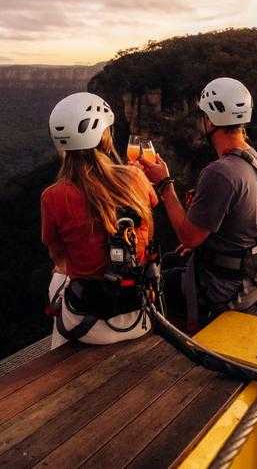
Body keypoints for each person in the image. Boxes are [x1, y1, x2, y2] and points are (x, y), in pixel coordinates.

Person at [140, 77, 257, 329]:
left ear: (212, 120)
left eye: (203, 115)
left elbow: (189, 238)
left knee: (150, 287)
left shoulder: (220, 173)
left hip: (224, 292)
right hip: (251, 280)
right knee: (172, 261)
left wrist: (165, 186)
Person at [42, 92, 157, 348]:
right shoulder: (136, 178)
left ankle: (59, 357)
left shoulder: (53, 196)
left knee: (58, 277)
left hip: (88, 327)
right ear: (105, 136)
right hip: (140, 317)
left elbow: (57, 254)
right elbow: (147, 234)